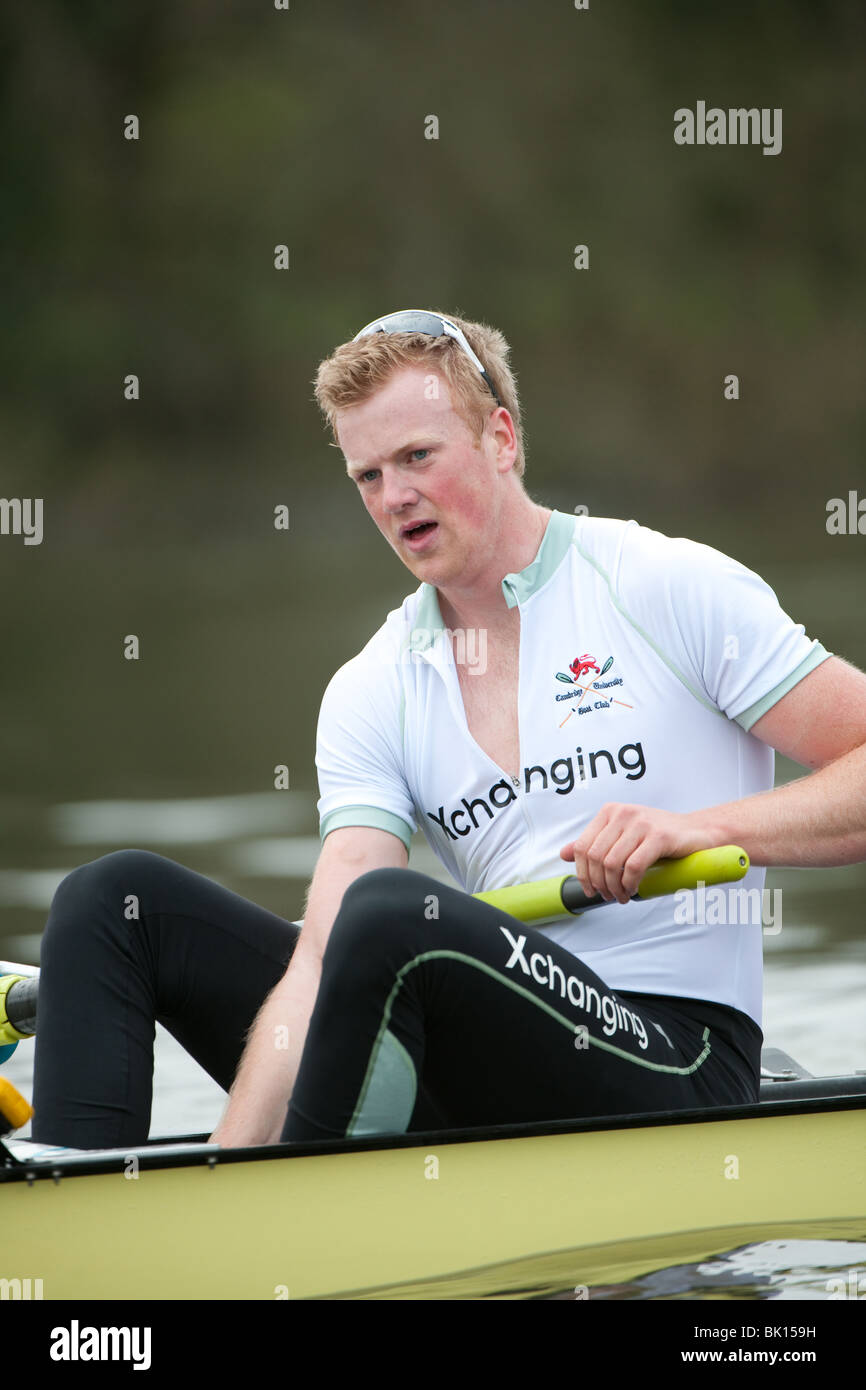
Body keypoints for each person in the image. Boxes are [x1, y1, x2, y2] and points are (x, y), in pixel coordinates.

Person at [15, 308, 866, 1150]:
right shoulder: (372, 687)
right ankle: (87, 1199)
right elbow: (317, 964)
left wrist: (705, 827)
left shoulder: (663, 587)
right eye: (369, 476)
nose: (396, 497)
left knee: (393, 916)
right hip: (489, 1064)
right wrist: (225, 1166)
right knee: (112, 900)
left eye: (417, 456)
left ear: (501, 439)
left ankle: (291, 1218)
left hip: (682, 1060)